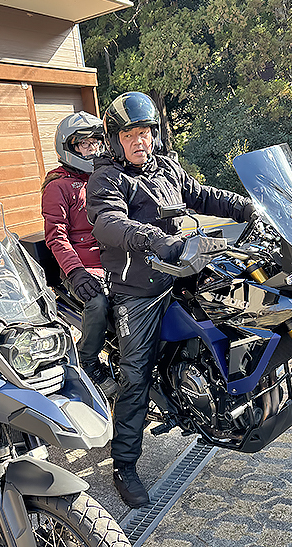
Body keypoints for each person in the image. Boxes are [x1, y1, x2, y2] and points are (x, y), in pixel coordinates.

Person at [86, 92, 255, 508]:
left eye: (145, 132)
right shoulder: (106, 179)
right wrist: (155, 239)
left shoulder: (166, 169)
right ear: (115, 139)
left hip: (183, 272)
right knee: (135, 375)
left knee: (242, 310)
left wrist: (250, 207)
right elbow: (108, 222)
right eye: (130, 134)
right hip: (139, 289)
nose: (139, 140)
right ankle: (124, 465)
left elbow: (205, 195)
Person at [41, 111, 118, 397]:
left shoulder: (105, 177)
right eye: (84, 144)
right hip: (82, 266)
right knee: (97, 302)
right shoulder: (58, 186)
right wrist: (76, 272)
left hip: (114, 260)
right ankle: (88, 361)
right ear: (69, 147)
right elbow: (56, 236)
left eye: (95, 143)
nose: (92, 149)